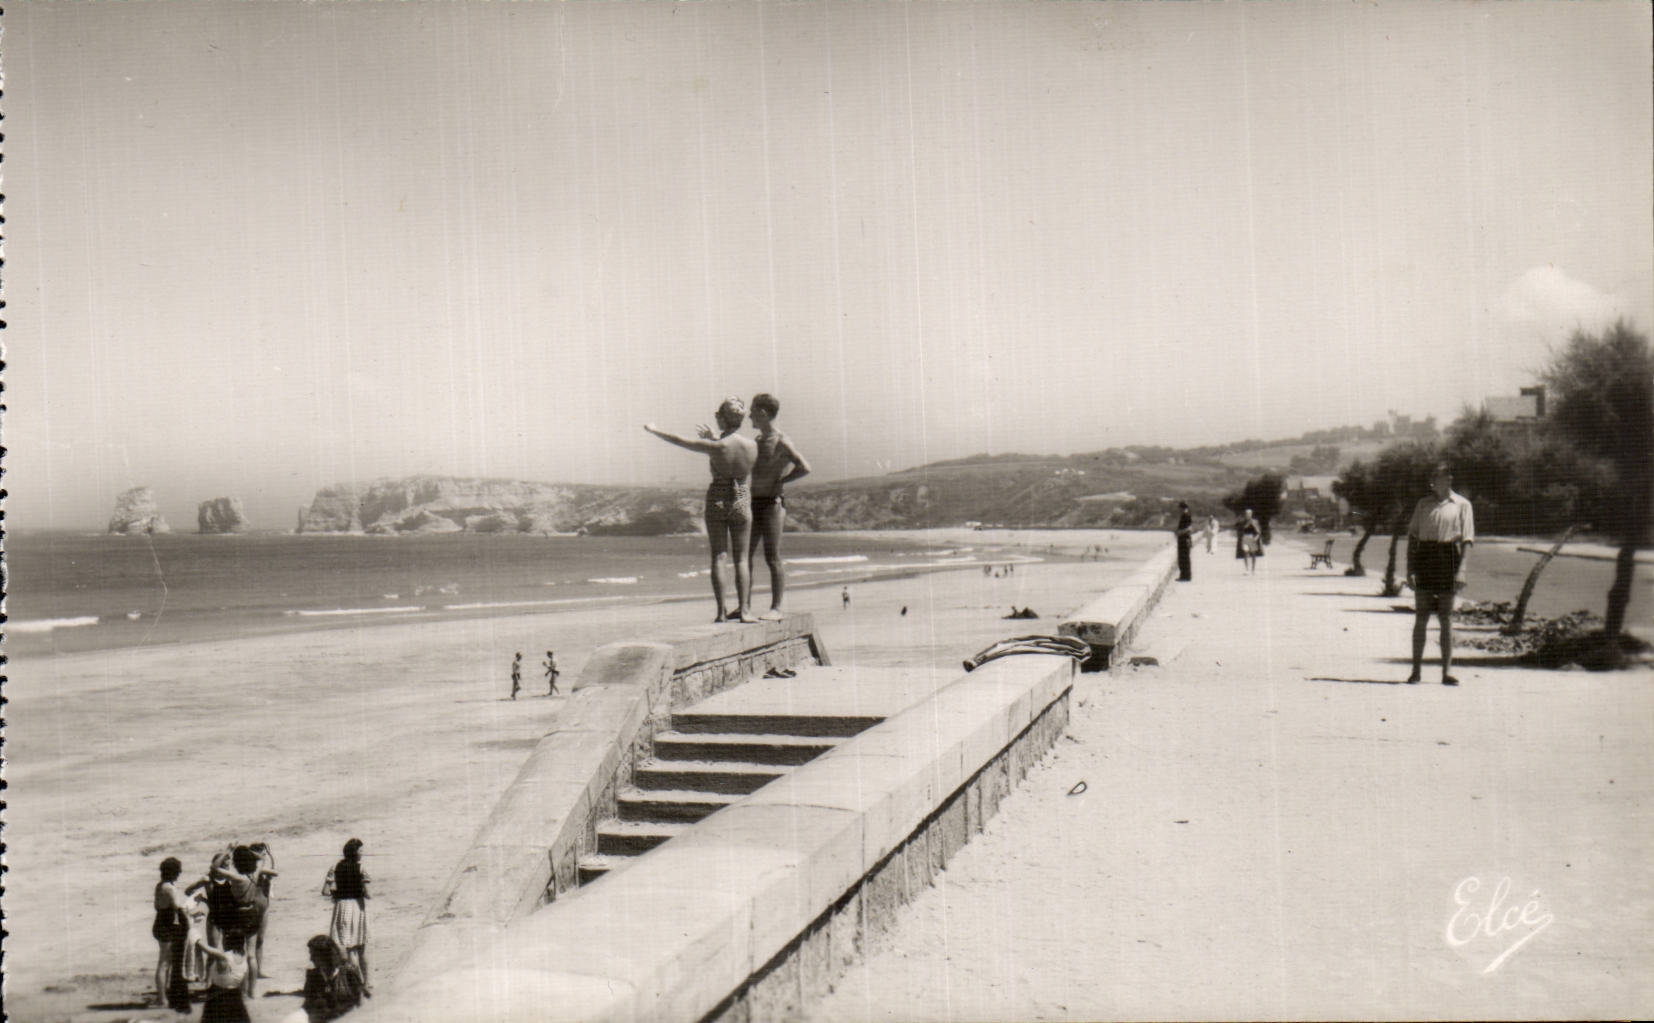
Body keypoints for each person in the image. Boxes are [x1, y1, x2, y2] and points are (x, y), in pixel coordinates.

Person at [645, 398, 759, 623]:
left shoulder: (715, 446)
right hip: (742, 497)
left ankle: (720, 612)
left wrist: (654, 429)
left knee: (719, 556)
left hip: (718, 496)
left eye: (718, 414)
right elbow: (731, 452)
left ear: (723, 418)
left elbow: (679, 440)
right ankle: (745, 610)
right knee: (742, 559)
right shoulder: (752, 445)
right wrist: (716, 437)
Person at [1405, 462, 1475, 686]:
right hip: (1425, 557)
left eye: (1444, 476)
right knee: (1421, 617)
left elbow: (1467, 541)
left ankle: (1446, 672)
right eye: (1436, 476)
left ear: (1450, 480)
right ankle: (1416, 671)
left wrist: (1461, 570)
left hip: (1448, 558)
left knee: (1446, 618)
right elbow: (1413, 539)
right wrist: (1410, 570)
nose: (1439, 480)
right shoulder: (1423, 504)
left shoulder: (1462, 505)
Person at [745, 393, 812, 620]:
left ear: (763, 413)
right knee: (745, 556)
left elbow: (804, 467)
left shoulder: (781, 440)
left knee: (772, 556)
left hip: (772, 504)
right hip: (753, 503)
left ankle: (777, 608)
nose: (749, 415)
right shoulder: (756, 442)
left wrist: (782, 481)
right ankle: (744, 607)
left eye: (753, 410)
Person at [324, 838, 371, 987]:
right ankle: (366, 981)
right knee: (361, 947)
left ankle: (357, 982)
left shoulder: (335, 867)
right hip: (357, 907)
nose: (362, 853)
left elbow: (325, 892)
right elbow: (368, 894)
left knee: (349, 948)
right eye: (361, 850)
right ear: (355, 853)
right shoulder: (361, 868)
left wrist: (335, 890)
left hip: (342, 908)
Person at [153, 857, 194, 1013]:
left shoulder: (160, 886)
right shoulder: (170, 888)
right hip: (167, 926)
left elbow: (157, 906)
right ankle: (162, 998)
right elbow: (179, 907)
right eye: (178, 871)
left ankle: (163, 996)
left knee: (165, 962)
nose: (179, 874)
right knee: (164, 963)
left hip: (160, 923)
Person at [300, 934, 368, 1022]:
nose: (311, 959)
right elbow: (309, 1007)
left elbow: (361, 1004)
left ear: (325, 956)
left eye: (314, 955)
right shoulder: (313, 977)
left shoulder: (348, 975)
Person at [197, 931, 251, 1023]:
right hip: (236, 998)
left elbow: (206, 949)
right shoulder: (245, 961)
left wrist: (195, 936)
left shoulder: (223, 957)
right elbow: (244, 988)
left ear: (227, 942)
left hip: (218, 996)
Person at [1235, 509, 1262, 574]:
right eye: (1246, 514)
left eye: (1249, 514)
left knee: (1253, 554)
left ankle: (1253, 569)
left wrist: (1255, 538)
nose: (1248, 515)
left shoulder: (1255, 522)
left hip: (1252, 538)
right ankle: (1247, 569)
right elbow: (1239, 530)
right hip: (1245, 538)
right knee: (1245, 553)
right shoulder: (1242, 522)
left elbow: (1258, 532)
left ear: (1251, 514)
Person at [1174, 501, 1194, 581]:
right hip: (1184, 539)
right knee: (1184, 558)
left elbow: (1189, 529)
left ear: (1182, 508)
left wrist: (1179, 532)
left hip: (1184, 539)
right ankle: (1185, 575)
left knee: (1183, 558)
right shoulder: (1186, 516)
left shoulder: (1185, 516)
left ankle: (1185, 576)